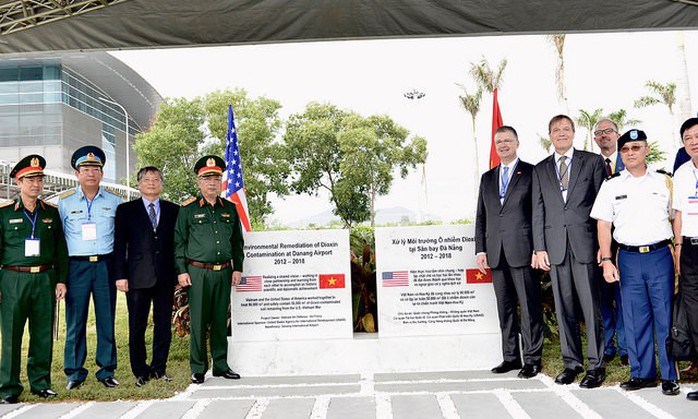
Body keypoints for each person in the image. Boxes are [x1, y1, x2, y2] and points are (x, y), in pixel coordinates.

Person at [591, 129, 679, 396]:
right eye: (626, 149)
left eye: (636, 148)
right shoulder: (613, 184)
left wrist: (678, 255)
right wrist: (606, 259)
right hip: (627, 258)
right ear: (621, 153)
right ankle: (642, 374)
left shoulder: (665, 181)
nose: (630, 153)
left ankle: (669, 375)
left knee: (665, 316)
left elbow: (676, 218)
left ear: (647, 150)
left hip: (660, 255)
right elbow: (603, 224)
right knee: (634, 316)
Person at [532, 114, 606, 388]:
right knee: (564, 309)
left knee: (590, 306)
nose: (561, 133)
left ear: (573, 133)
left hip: (586, 244)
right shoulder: (540, 170)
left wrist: (603, 247)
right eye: (556, 130)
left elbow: (603, 208)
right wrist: (539, 247)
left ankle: (596, 366)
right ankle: (571, 363)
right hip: (556, 248)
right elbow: (537, 211)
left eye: (566, 129)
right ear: (550, 135)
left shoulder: (592, 162)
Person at [475, 126, 544, 379]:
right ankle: (511, 357)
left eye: (507, 140)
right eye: (499, 141)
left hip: (523, 250)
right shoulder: (487, 177)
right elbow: (481, 216)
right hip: (495, 252)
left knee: (528, 306)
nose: (503, 144)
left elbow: (538, 212)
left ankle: (532, 360)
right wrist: (480, 249)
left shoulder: (532, 172)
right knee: (504, 308)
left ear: (517, 143)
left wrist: (539, 247)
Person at [0, 155, 68, 404]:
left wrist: (61, 280)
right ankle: (8, 387)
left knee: (41, 335)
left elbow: (61, 249)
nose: (35, 184)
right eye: (30, 179)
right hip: (13, 279)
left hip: (45, 279)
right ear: (19, 182)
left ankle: (41, 383)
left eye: (39, 179)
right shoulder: (5, 213)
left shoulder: (51, 213)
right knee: (11, 335)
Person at [174, 155, 244, 384]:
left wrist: (238, 268)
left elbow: (236, 242)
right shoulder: (188, 209)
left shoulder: (230, 209)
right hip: (197, 272)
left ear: (221, 182)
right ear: (199, 182)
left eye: (216, 178)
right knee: (199, 321)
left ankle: (221, 365)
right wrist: (182, 270)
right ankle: (198, 367)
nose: (212, 183)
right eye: (207, 179)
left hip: (224, 271)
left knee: (219, 319)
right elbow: (179, 243)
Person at [59, 146, 121, 389]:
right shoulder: (64, 202)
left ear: (102, 174)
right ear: (77, 173)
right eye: (86, 169)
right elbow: (60, 242)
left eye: (96, 169)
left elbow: (121, 238)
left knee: (107, 319)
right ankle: (74, 373)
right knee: (75, 321)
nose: (91, 174)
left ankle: (106, 370)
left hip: (105, 265)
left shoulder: (115, 201)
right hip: (77, 267)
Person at [114, 166, 179, 387]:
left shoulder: (173, 210)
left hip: (165, 276)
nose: (151, 183)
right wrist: (120, 275)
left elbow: (177, 245)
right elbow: (119, 245)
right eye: (146, 180)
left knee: (163, 325)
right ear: (139, 184)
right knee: (137, 325)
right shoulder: (126, 210)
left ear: (161, 184)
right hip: (136, 277)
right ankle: (140, 370)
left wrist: (179, 273)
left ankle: (159, 368)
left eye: (156, 179)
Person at [592, 118, 628, 366]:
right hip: (599, 243)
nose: (604, 135)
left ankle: (626, 347)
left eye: (608, 131)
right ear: (595, 139)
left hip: (627, 240)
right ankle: (608, 345)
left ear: (618, 135)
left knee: (624, 296)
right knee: (603, 297)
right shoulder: (589, 164)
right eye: (599, 132)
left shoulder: (629, 160)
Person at [672, 117, 698, 401]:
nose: (694, 141)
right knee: (694, 313)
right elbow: (678, 214)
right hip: (690, 249)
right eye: (688, 137)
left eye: (697, 135)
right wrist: (678, 247)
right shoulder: (681, 173)